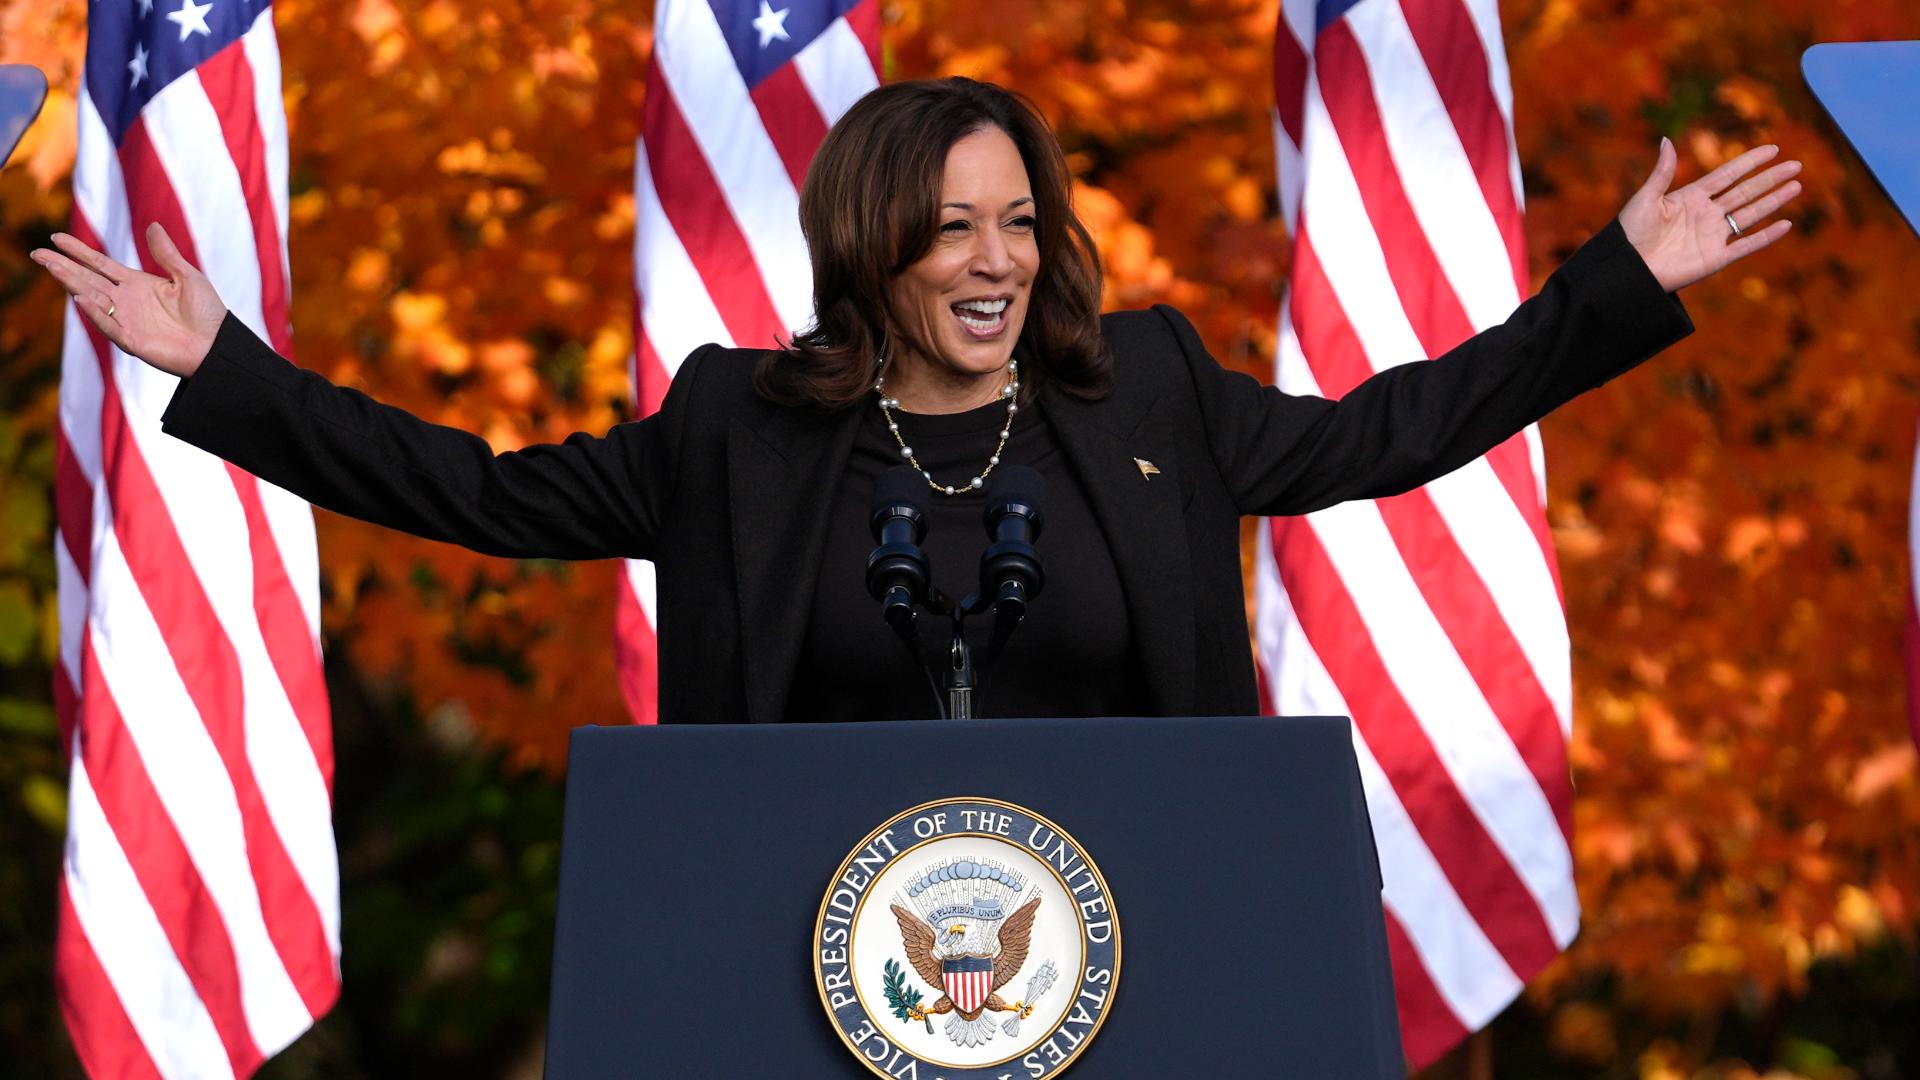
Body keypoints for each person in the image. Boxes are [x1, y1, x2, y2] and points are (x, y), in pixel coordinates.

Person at [31, 78, 1801, 726]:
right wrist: (223, 370)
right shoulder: (742, 424)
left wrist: (1614, 284)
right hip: (813, 974)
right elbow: (482, 493)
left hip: (1135, 968)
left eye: (1020, 222)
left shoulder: (1154, 391)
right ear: (870, 246)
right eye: (952, 225)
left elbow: (1393, 432)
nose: (997, 259)